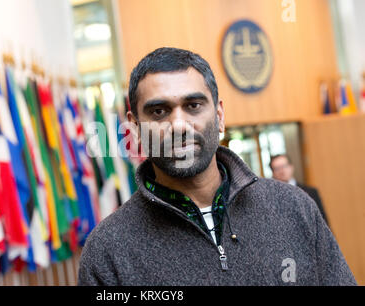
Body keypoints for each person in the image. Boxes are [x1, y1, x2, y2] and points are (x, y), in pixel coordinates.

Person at [78, 47, 356, 286]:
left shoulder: (294, 208)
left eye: (193, 105)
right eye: (159, 111)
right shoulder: (107, 250)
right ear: (135, 128)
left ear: (219, 116)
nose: (179, 125)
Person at [270, 154, 329, 225]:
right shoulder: (271, 198)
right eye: (277, 168)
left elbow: (323, 222)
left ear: (291, 167)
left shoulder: (311, 192)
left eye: (284, 166)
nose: (282, 171)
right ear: (273, 173)